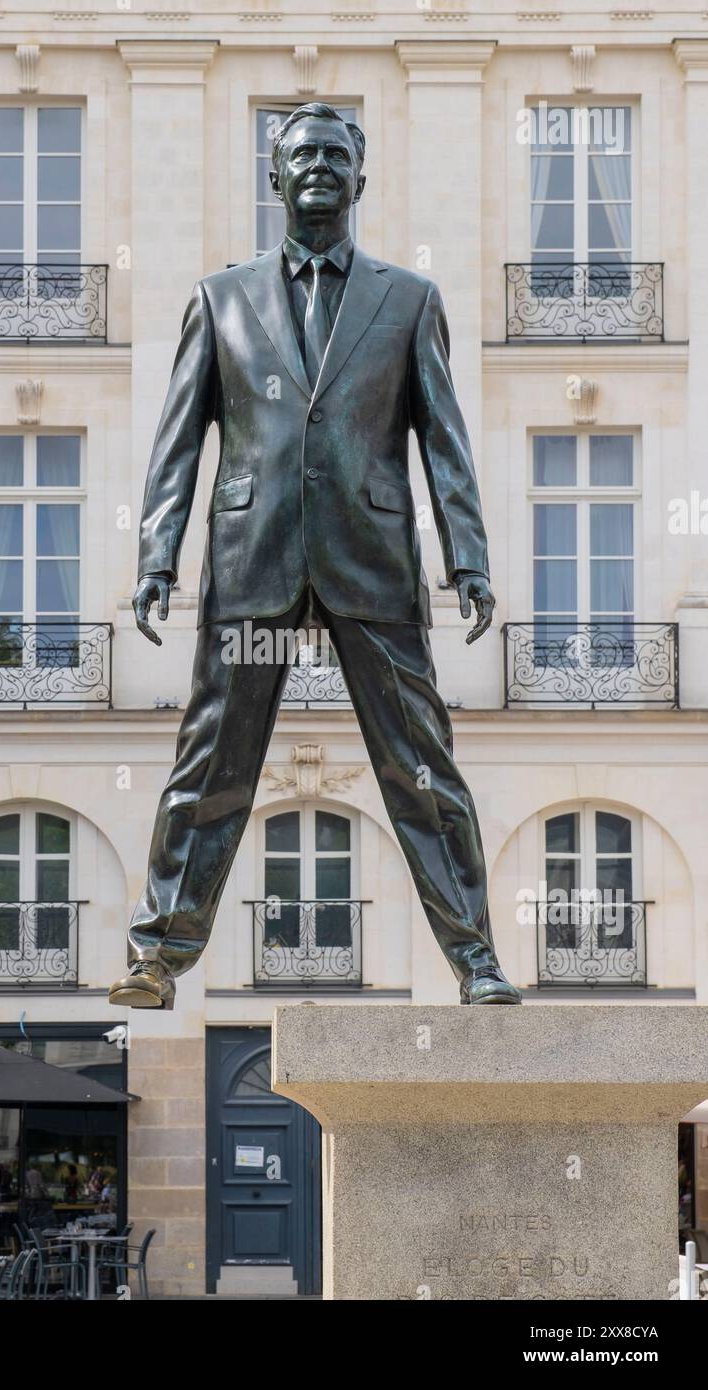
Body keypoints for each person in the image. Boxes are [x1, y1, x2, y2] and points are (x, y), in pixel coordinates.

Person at [110, 103, 521, 1012]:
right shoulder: (220, 300)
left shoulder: (408, 300)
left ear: (361, 179)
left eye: (338, 154)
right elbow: (178, 444)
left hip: (370, 563)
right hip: (253, 557)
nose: (321, 167)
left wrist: (469, 558)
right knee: (212, 762)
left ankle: (476, 960)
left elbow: (444, 442)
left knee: (422, 770)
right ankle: (157, 955)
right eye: (303, 155)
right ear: (275, 177)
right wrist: (155, 558)